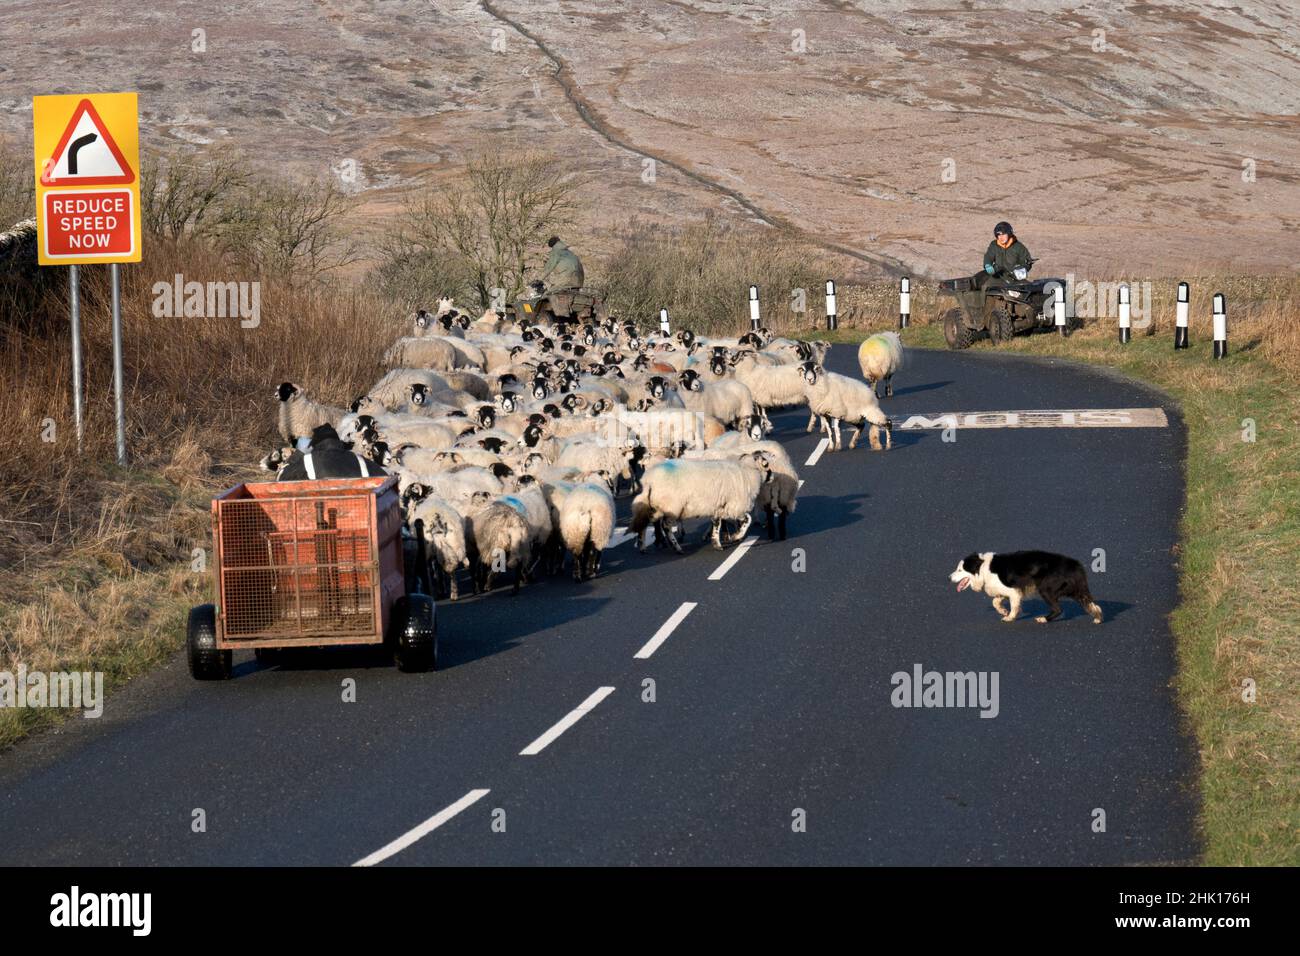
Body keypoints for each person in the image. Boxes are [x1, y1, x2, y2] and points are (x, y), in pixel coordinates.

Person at [975, 221, 1032, 288]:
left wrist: (1022, 269)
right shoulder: (994, 245)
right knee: (986, 287)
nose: (1001, 237)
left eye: (1004, 234)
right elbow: (989, 256)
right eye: (999, 235)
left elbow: (1027, 261)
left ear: (1009, 234)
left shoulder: (1018, 247)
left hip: (1014, 278)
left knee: (1028, 289)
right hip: (998, 276)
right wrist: (987, 264)